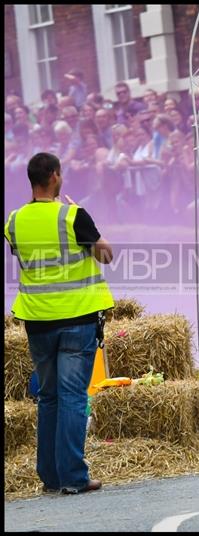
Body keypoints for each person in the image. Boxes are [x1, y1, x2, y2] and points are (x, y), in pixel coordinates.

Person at [3, 152, 114, 494]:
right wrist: (84, 219)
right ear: (53, 176)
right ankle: (73, 478)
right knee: (72, 396)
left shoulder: (14, 221)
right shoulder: (72, 215)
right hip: (77, 318)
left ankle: (50, 477)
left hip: (37, 321)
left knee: (49, 396)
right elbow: (105, 254)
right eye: (60, 172)